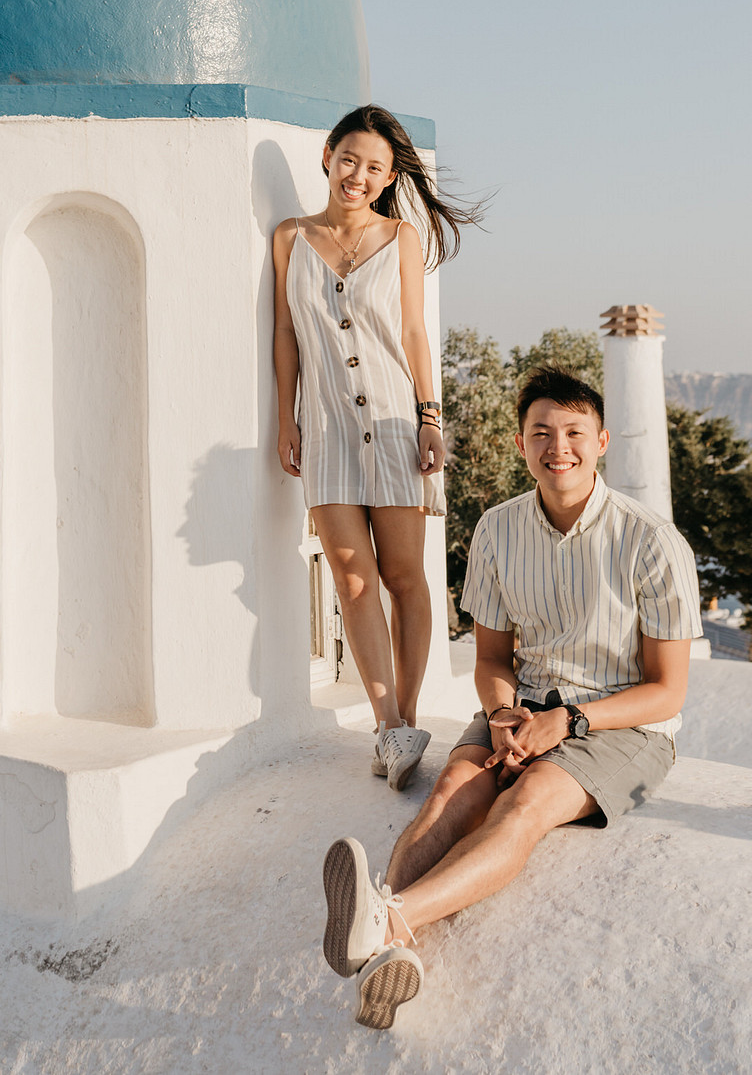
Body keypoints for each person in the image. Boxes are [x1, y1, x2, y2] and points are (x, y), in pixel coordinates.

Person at [319, 365, 703, 1031]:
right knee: (448, 797)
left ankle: (390, 919)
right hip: (523, 707)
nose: (560, 447)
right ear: (522, 445)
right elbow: (493, 660)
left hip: (622, 726)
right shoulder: (497, 531)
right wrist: (501, 714)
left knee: (522, 806)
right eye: (542, 433)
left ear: (602, 440)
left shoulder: (652, 542)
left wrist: (570, 720)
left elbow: (667, 689)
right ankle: (386, 947)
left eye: (575, 432)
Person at [273, 103, 480, 788]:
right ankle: (387, 725)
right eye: (350, 160)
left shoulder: (402, 240)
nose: (358, 176)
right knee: (351, 578)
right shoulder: (289, 238)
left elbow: (415, 336)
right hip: (328, 431)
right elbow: (285, 335)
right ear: (327, 156)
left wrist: (430, 415)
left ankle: (410, 716)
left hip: (396, 425)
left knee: (403, 577)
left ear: (390, 179)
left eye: (376, 168)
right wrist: (286, 416)